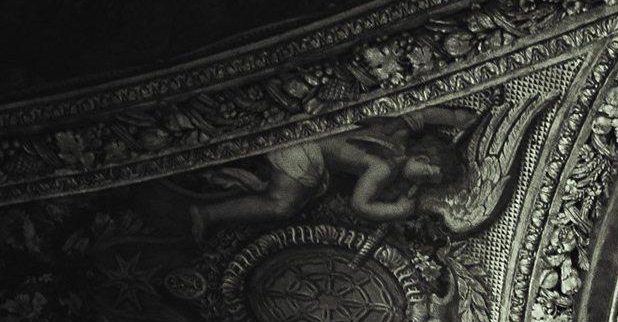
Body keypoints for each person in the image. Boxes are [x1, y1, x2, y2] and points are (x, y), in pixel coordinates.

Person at [189, 108, 475, 237]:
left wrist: (456, 118)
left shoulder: (398, 135)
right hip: (305, 153)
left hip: (307, 128)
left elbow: (422, 114)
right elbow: (360, 205)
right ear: (423, 156)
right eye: (427, 174)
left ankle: (228, 187)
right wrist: (397, 211)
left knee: (284, 195)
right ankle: (208, 213)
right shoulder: (384, 168)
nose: (421, 181)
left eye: (427, 182)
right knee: (282, 206)